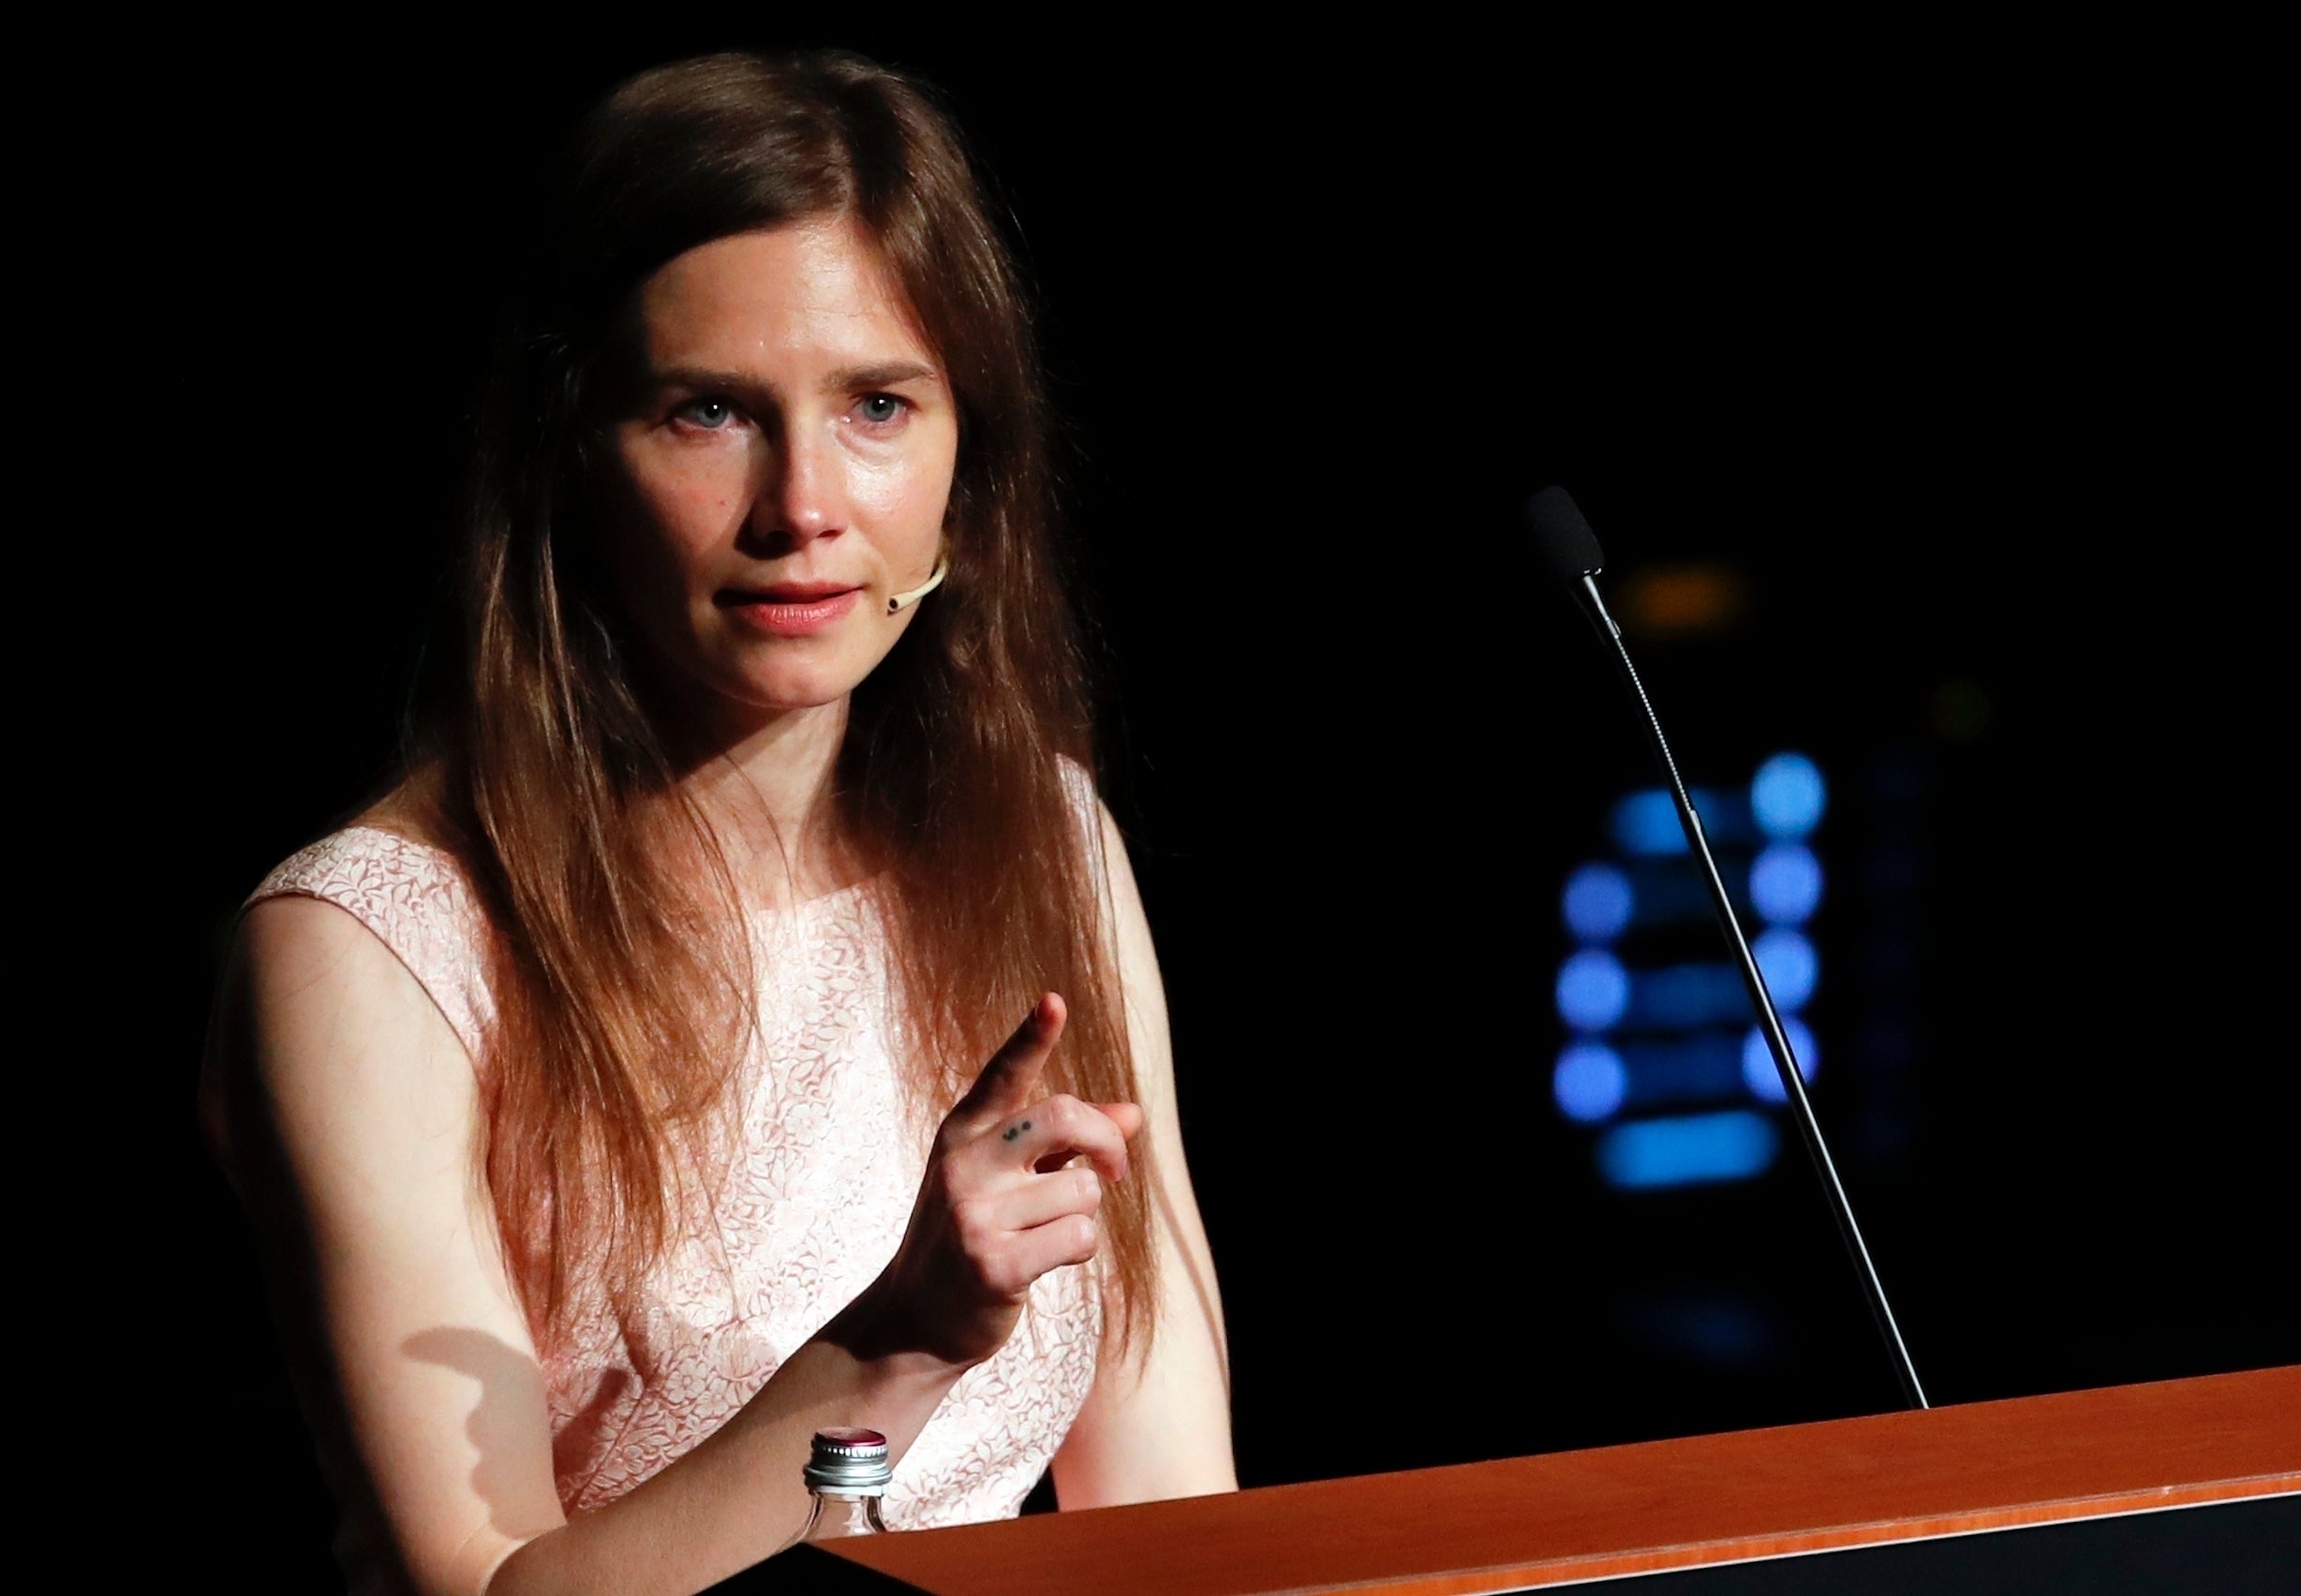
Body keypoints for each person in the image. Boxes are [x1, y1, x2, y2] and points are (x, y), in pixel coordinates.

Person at [201, 50, 1236, 1596]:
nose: (803, 504)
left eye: (879, 405)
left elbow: (1177, 1519)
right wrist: (888, 1353)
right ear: (567, 455)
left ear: (969, 465)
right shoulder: (368, 949)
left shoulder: (1047, 839)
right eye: (707, 414)